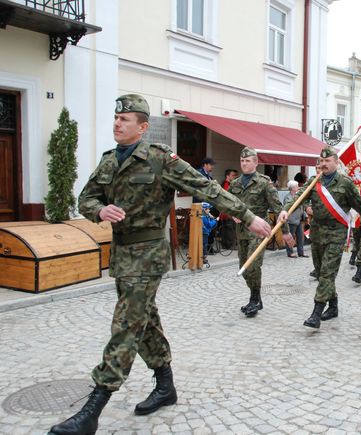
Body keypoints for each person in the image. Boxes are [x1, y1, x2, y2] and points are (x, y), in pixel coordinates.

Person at [49, 94, 272, 435]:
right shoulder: (109, 161)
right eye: (115, 118)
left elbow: (205, 186)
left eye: (125, 120)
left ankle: (93, 408)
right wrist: (99, 210)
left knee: (126, 324)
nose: (117, 123)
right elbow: (86, 197)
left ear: (142, 126)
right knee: (144, 320)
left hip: (149, 255)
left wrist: (247, 215)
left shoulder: (160, 160)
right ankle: (165, 386)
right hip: (122, 256)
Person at [279, 146, 361, 329]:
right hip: (317, 232)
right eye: (321, 161)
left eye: (327, 161)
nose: (323, 164)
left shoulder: (345, 184)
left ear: (336, 162)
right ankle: (333, 306)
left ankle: (316, 313)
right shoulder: (314, 181)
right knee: (321, 271)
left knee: (327, 273)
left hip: (336, 233)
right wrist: (286, 209)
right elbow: (298, 197)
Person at [229, 147, 294, 318]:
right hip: (241, 231)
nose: (244, 163)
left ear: (256, 162)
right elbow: (227, 204)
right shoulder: (235, 183)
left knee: (252, 265)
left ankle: (255, 299)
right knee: (243, 266)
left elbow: (278, 209)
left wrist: (285, 232)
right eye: (242, 161)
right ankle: (255, 297)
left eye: (248, 161)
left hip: (259, 231)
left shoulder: (265, 183)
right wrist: (232, 214)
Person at [283, 180, 307, 258]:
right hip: (291, 220)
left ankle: (301, 252)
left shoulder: (298, 196)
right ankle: (290, 252)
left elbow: (302, 207)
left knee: (300, 237)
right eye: (296, 186)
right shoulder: (288, 197)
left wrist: (305, 216)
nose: (298, 187)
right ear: (292, 188)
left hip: (299, 219)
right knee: (291, 237)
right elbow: (290, 207)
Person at [218, 169, 239, 249]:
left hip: (226, 210)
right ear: (227, 176)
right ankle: (230, 245)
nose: (235, 177)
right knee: (229, 227)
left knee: (227, 228)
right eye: (233, 175)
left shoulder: (228, 184)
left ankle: (226, 245)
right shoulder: (226, 184)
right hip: (228, 210)